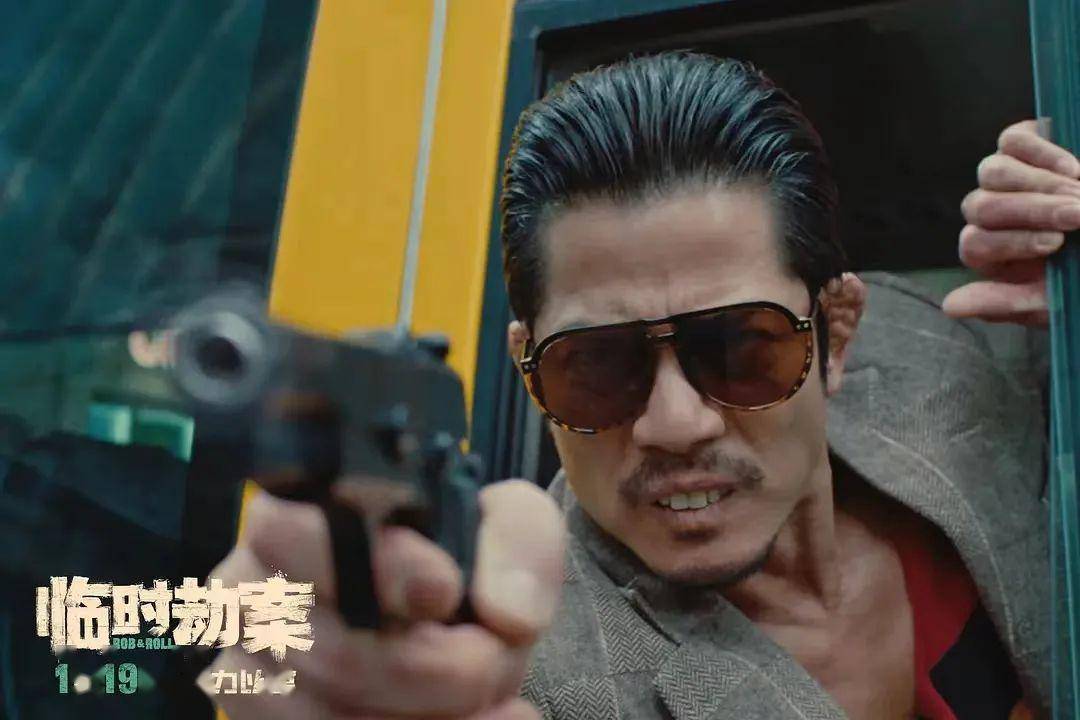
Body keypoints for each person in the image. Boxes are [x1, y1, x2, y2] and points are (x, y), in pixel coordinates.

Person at [204, 52, 1080, 719]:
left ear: (838, 334)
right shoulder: (540, 672)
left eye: (738, 347)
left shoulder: (945, 352)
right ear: (530, 370)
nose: (674, 423)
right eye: (599, 366)